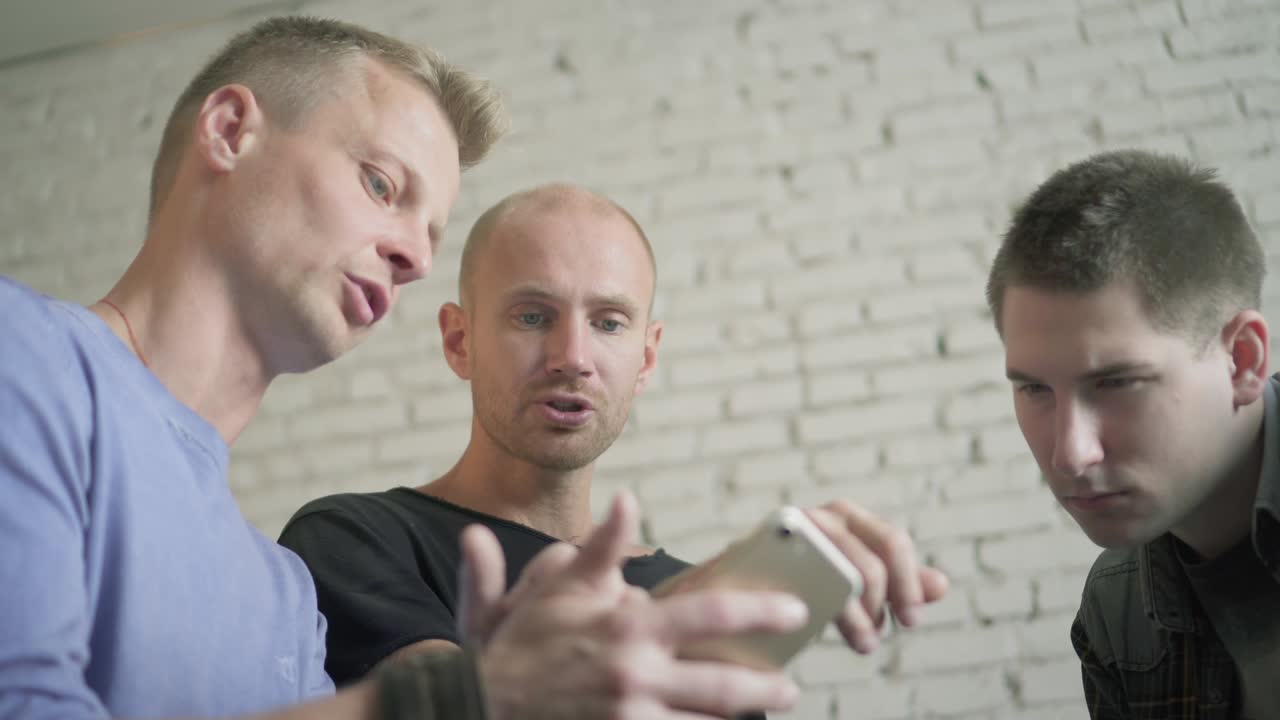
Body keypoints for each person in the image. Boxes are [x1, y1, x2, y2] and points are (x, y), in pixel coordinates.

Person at [0, 16, 809, 720]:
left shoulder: (285, 598)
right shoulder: (23, 353)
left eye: (431, 228)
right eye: (382, 185)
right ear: (229, 131)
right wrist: (456, 701)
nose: (416, 255)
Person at [280, 183, 951, 701]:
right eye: (533, 316)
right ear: (460, 341)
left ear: (647, 358)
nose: (572, 356)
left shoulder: (694, 600)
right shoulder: (354, 539)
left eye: (608, 322)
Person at [986, 149, 1279, 718]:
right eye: (1034, 389)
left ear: (1242, 360)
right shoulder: (1115, 607)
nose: (1070, 455)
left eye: (1117, 382)